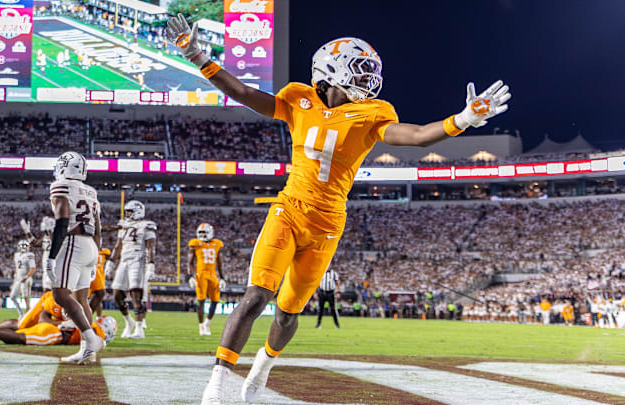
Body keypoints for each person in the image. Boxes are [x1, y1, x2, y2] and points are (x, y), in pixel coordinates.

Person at [165, 14, 511, 405]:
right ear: (331, 70)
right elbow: (245, 94)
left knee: (287, 313)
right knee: (256, 296)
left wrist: (463, 119)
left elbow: (413, 137)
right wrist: (199, 58)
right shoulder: (298, 98)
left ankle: (263, 364)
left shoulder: (373, 113)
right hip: (289, 210)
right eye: (361, 71)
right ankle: (218, 384)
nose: (368, 80)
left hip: (328, 224)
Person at [46, 151, 105, 364]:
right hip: (90, 245)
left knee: (60, 294)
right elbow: (98, 227)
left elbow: (62, 222)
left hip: (72, 242)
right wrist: (96, 256)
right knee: (81, 298)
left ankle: (91, 338)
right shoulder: (91, 192)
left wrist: (52, 256)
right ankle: (87, 352)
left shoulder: (61, 186)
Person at [104, 200, 156, 338]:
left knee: (135, 293)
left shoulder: (147, 226)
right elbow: (118, 246)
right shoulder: (124, 225)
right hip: (124, 260)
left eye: (130, 211)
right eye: (126, 211)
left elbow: (151, 247)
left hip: (138, 260)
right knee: (117, 293)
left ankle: (139, 329)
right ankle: (129, 322)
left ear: (138, 211)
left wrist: (151, 265)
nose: (127, 214)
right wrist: (110, 263)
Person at [187, 223, 225, 336]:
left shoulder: (217, 244)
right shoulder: (195, 243)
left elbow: (220, 263)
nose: (202, 235)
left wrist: (222, 277)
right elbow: (190, 262)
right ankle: (200, 326)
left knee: (215, 300)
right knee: (201, 300)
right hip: (201, 274)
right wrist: (190, 276)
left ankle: (207, 323)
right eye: (201, 233)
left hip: (213, 275)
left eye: (205, 233)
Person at [20, 216, 55, 291]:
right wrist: (27, 231)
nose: (45, 232)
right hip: (47, 264)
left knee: (49, 286)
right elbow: (34, 243)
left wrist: (49, 230)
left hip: (54, 263)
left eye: (46, 231)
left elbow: (55, 242)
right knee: (46, 286)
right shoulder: (46, 238)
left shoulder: (60, 236)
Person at [10, 239, 36, 318]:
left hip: (26, 279)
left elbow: (33, 268)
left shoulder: (30, 255)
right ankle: (21, 314)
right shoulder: (17, 255)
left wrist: (26, 277)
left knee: (26, 298)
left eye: (25, 246)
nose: (23, 247)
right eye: (22, 246)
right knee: (12, 297)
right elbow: (17, 268)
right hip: (18, 279)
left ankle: (28, 316)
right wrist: (15, 276)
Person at [89, 248, 110, 319]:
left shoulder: (104, 251)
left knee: (98, 297)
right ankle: (88, 316)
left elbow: (110, 258)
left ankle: (98, 317)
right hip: (91, 274)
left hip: (99, 276)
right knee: (85, 298)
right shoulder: (90, 249)